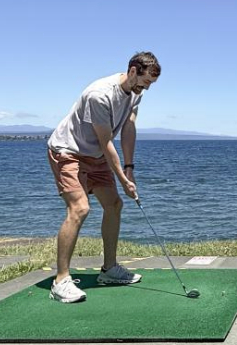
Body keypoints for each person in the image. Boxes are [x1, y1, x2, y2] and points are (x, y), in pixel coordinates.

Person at [46, 51, 161, 303]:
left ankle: (109, 270)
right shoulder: (100, 95)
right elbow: (106, 140)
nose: (146, 88)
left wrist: (129, 168)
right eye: (145, 82)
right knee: (79, 209)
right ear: (132, 71)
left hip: (95, 154)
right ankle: (60, 281)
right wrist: (122, 179)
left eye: (151, 84)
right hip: (68, 151)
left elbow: (129, 127)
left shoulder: (135, 93)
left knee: (114, 204)